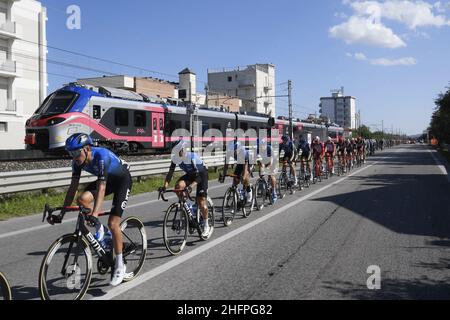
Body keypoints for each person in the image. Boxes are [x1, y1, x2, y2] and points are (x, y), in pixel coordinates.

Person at [50, 133, 132, 287]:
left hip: (122, 181)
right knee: (82, 200)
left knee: (114, 223)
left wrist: (95, 214)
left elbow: (101, 189)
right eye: (70, 153)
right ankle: (102, 230)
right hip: (107, 181)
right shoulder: (77, 162)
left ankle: (120, 265)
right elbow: (73, 188)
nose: (73, 156)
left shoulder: (101, 156)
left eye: (75, 152)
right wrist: (62, 213)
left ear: (87, 149)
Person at [161, 140, 211, 238]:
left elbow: (199, 176)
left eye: (178, 151)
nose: (177, 154)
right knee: (178, 187)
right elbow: (170, 173)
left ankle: (206, 225)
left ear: (184, 149)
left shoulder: (192, 157)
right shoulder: (175, 158)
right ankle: (188, 209)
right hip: (190, 175)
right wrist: (164, 187)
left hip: (201, 175)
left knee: (201, 202)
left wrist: (190, 187)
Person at [256, 138, 277, 203]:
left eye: (262, 145)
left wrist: (267, 169)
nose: (261, 147)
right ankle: (261, 183)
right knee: (261, 169)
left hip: (272, 161)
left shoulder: (269, 148)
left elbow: (271, 162)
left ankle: (274, 191)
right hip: (264, 161)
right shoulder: (258, 149)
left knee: (271, 175)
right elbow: (258, 161)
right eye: (259, 145)